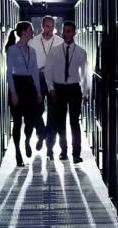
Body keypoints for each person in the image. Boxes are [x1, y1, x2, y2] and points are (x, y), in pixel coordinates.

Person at [44, 21, 90, 164]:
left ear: (74, 33)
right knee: (60, 122)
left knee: (75, 122)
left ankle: (76, 154)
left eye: (69, 31)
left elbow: (85, 75)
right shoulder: (55, 50)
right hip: (58, 89)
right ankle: (63, 151)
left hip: (74, 89)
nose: (66, 33)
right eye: (65, 31)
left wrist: (85, 93)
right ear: (62, 32)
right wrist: (51, 88)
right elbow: (48, 71)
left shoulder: (81, 52)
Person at [5, 21, 43, 166]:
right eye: (31, 30)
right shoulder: (12, 50)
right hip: (17, 84)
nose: (33, 33)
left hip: (30, 86)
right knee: (17, 122)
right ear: (24, 32)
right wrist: (13, 93)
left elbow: (34, 71)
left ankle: (27, 141)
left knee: (30, 120)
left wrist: (38, 91)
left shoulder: (32, 50)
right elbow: (9, 72)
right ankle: (17, 152)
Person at [28, 15, 64, 151]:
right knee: (36, 110)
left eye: (52, 26)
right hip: (38, 79)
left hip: (54, 81)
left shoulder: (60, 42)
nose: (50, 29)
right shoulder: (33, 41)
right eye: (47, 26)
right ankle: (41, 134)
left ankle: (50, 145)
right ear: (42, 26)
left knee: (53, 113)